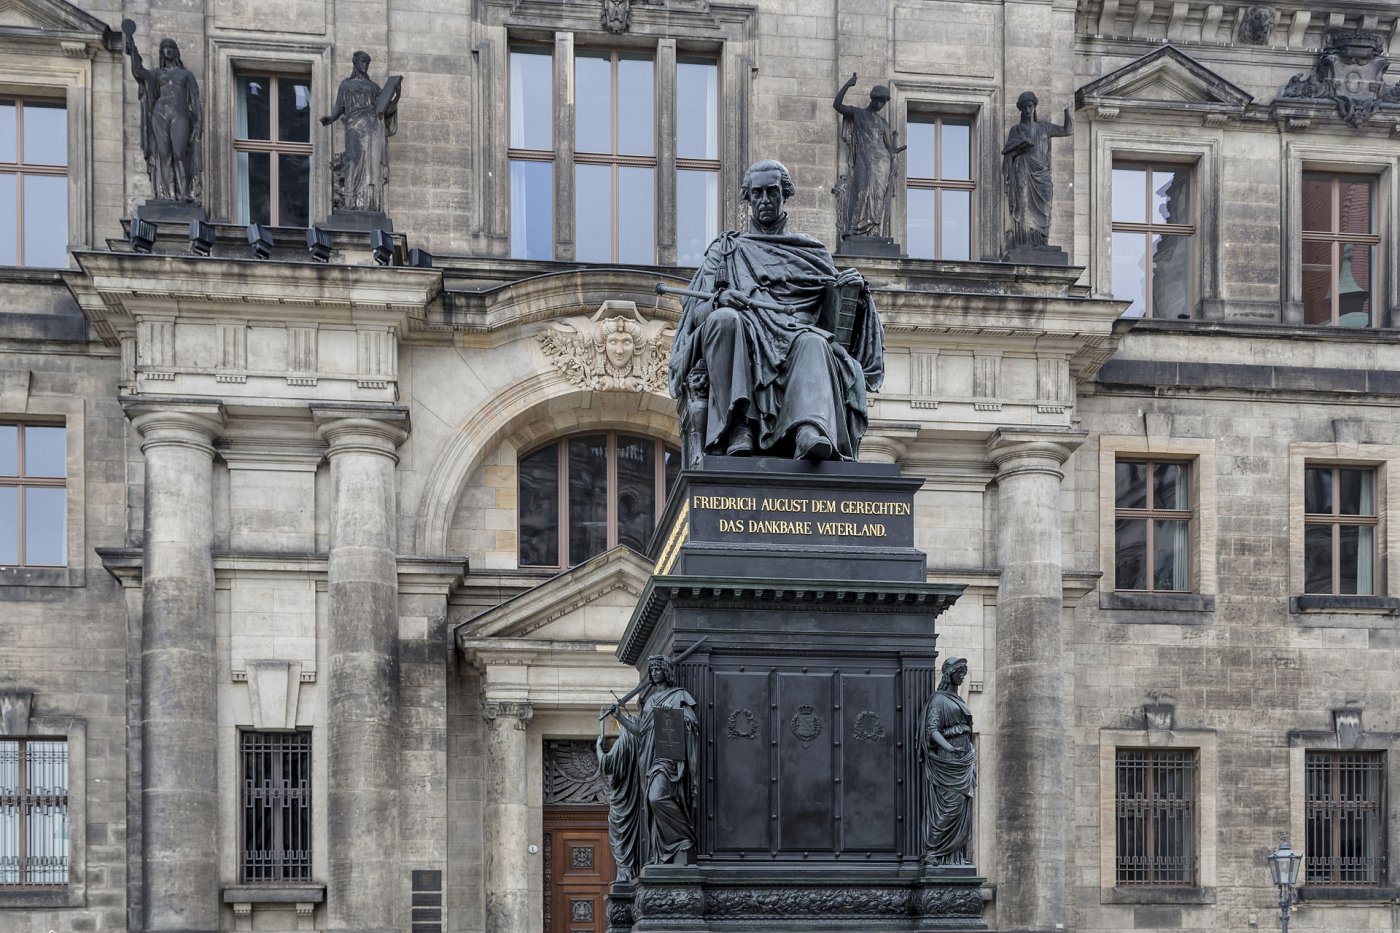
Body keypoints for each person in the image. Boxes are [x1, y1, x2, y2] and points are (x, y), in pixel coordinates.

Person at [667, 159, 885, 461]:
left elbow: (833, 326)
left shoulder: (811, 251)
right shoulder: (726, 250)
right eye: (757, 194)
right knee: (723, 320)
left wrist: (854, 294)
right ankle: (739, 424)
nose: (765, 201)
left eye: (772, 192)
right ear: (748, 198)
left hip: (797, 337)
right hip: (743, 338)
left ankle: (808, 430)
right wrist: (720, 300)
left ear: (785, 194)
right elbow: (698, 313)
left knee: (815, 343)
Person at [605, 656, 699, 865]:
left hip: (668, 757)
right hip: (649, 757)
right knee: (651, 801)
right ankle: (667, 847)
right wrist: (619, 718)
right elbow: (641, 732)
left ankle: (684, 838)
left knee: (657, 798)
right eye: (652, 670)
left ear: (666, 671)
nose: (654, 673)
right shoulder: (648, 701)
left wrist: (676, 717)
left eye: (658, 669)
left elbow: (691, 722)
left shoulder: (679, 695)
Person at [123, 22, 203, 203]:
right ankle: (168, 195)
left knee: (180, 153)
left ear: (176, 51)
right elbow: (138, 71)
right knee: (164, 154)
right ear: (161, 52)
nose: (168, 50)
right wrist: (131, 46)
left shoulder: (186, 75)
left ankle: (184, 193)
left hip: (180, 113)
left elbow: (195, 100)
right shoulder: (156, 74)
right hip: (159, 114)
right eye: (165, 47)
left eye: (171, 47)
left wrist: (199, 122)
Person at [321, 51, 401, 213]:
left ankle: (369, 203)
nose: (365, 65)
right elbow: (339, 106)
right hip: (354, 127)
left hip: (372, 128)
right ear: (355, 62)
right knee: (353, 161)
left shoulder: (374, 87)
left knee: (371, 165)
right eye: (362, 62)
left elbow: (385, 109)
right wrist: (330, 118)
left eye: (367, 63)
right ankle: (350, 200)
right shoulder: (346, 85)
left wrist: (396, 94)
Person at [919, 656, 977, 867]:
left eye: (964, 671)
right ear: (948, 673)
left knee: (961, 807)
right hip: (948, 761)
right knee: (950, 806)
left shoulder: (958, 700)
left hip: (963, 761)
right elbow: (932, 731)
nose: (962, 675)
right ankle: (933, 851)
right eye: (959, 671)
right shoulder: (938, 700)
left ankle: (954, 856)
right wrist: (948, 747)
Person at [833, 73, 905, 238]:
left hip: (882, 162)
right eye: (880, 101)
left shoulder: (883, 123)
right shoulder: (859, 114)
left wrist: (896, 151)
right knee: (862, 190)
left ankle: (873, 229)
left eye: (884, 102)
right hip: (865, 159)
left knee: (877, 196)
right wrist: (847, 85)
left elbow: (889, 147)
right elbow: (837, 105)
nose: (881, 105)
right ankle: (856, 228)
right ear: (873, 99)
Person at [1001, 91, 1072, 250]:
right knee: (1024, 207)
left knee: (1046, 206)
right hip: (1023, 171)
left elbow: (1067, 130)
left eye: (1030, 106)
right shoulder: (1016, 130)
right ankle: (1025, 242)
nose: (1028, 110)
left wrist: (1067, 109)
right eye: (1025, 107)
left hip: (1042, 174)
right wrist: (1018, 148)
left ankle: (1042, 241)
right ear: (1021, 109)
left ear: (1034, 107)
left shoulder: (1044, 127)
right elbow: (1007, 155)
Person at [596, 711, 645, 881]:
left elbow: (606, 764)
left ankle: (625, 874)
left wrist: (598, 747)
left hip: (622, 802)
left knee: (619, 836)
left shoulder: (623, 743)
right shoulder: (643, 745)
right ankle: (634, 872)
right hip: (638, 800)